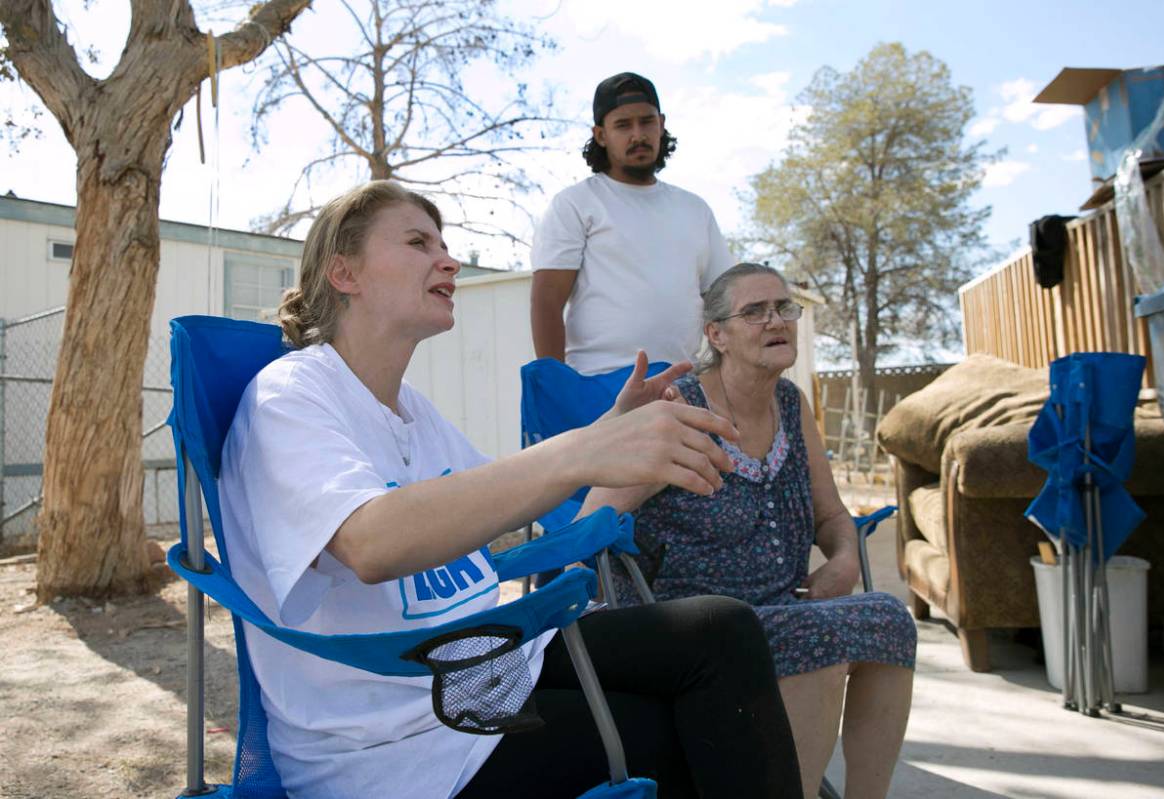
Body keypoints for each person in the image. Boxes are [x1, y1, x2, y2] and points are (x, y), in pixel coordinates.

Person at [218, 181, 802, 799]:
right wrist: (579, 451)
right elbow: (369, 541)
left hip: (478, 670)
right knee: (672, 733)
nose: (449, 260)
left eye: (445, 245)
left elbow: (503, 501)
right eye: (419, 243)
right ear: (344, 272)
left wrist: (607, 433)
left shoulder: (410, 409)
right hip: (392, 739)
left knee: (720, 629)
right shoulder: (291, 395)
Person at [614, 263, 918, 799]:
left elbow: (832, 516)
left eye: (783, 308)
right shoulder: (677, 408)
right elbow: (597, 515)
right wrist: (624, 438)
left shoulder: (791, 404)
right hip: (698, 623)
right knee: (821, 641)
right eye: (753, 312)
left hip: (779, 606)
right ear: (717, 335)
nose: (774, 320)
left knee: (891, 619)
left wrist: (845, 557)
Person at [530, 71, 734, 375]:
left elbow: (726, 302)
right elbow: (546, 301)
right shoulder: (576, 204)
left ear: (661, 124)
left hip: (682, 384)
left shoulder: (695, 209)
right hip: (598, 382)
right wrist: (558, 387)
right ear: (601, 135)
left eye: (647, 122)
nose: (638, 135)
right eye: (623, 125)